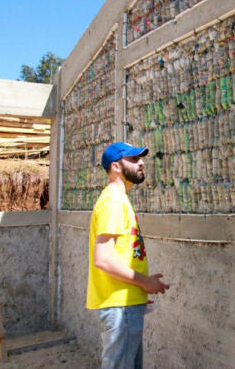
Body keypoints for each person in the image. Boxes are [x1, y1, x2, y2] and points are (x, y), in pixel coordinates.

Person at [86, 142, 169, 369]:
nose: (141, 162)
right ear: (116, 166)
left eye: (140, 158)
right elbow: (102, 258)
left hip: (125, 302)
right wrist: (144, 282)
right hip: (119, 306)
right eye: (133, 159)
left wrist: (139, 290)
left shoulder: (119, 199)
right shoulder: (113, 202)